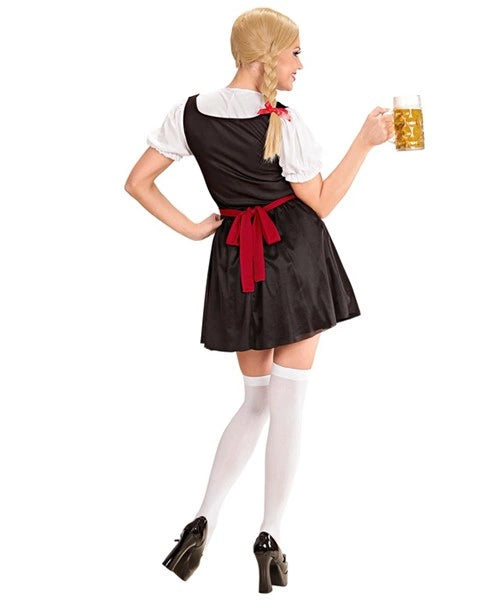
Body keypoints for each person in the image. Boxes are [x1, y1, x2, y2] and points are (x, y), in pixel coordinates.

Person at [124, 6, 394, 594]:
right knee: (288, 404)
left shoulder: (188, 113)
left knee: (253, 402)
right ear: (267, 56)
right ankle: (270, 536)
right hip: (293, 260)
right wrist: (366, 142)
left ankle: (201, 521)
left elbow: (137, 182)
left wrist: (194, 229)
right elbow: (320, 202)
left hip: (236, 265)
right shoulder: (282, 120)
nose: (301, 64)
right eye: (295, 52)